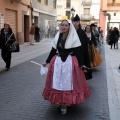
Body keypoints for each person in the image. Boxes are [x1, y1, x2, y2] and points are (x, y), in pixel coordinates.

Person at [42, 19, 91, 114]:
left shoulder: (73, 37)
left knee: (67, 83)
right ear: (60, 26)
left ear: (69, 27)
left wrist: (82, 65)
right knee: (58, 82)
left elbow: (78, 53)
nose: (64, 27)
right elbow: (53, 50)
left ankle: (65, 103)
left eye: (66, 25)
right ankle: (59, 101)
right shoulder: (58, 36)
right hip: (58, 63)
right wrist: (47, 61)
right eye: (62, 25)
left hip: (69, 63)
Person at [72, 14, 92, 80]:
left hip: (81, 52)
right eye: (74, 22)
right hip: (72, 52)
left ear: (79, 23)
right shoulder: (70, 32)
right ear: (72, 22)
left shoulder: (82, 32)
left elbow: (84, 42)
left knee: (81, 66)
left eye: (77, 22)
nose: (76, 23)